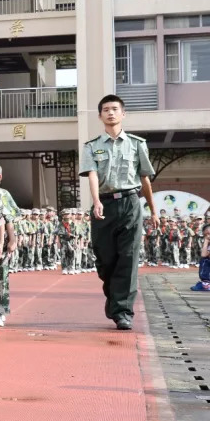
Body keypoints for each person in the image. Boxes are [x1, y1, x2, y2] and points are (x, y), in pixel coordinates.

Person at [79, 94, 157, 331]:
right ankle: (115, 298)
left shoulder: (136, 144)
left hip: (130, 203)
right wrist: (95, 201)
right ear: (101, 116)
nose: (110, 113)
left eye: (115, 109)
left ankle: (123, 312)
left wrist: (153, 210)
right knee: (105, 259)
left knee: (128, 257)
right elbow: (92, 174)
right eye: (105, 110)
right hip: (103, 204)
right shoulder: (92, 147)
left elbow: (144, 177)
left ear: (123, 114)